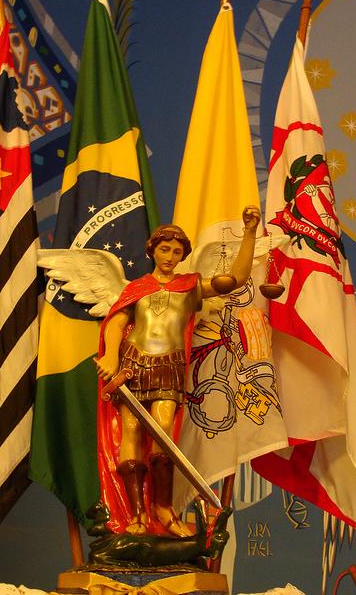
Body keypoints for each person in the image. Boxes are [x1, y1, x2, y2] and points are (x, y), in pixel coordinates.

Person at [94, 205, 261, 537]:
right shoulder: (137, 288)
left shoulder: (190, 285)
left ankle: (163, 508)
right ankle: (137, 515)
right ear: (152, 251)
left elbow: (236, 280)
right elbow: (116, 322)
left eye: (175, 251)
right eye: (164, 249)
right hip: (133, 364)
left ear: (183, 254)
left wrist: (250, 233)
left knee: (163, 431)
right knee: (131, 432)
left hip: (168, 364)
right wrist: (111, 355)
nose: (169, 256)